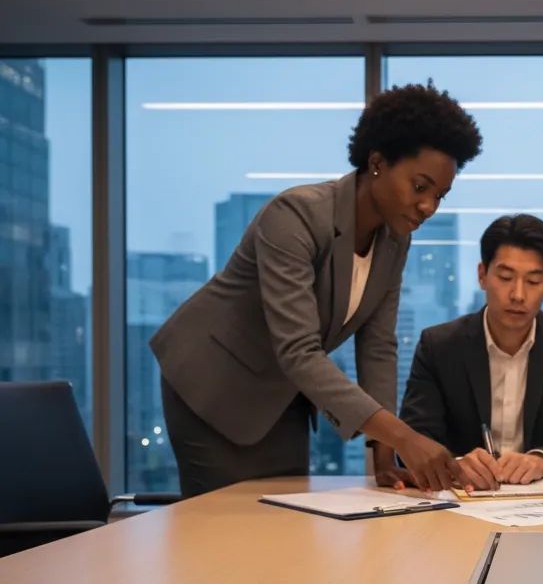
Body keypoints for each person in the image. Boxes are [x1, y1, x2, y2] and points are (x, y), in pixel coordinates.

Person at [151, 83, 482, 497]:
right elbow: (299, 349)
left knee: (285, 524)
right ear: (377, 163)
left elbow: (378, 345)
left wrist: (384, 455)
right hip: (212, 383)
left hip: (281, 395)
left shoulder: (395, 240)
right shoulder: (296, 215)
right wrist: (404, 438)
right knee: (223, 529)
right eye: (420, 187)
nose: (429, 207)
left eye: (440, 195)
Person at [400, 214, 543, 489]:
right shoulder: (440, 345)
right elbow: (416, 437)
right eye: (506, 277)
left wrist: (542, 461)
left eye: (533, 281)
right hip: (464, 502)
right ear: (482, 275)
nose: (518, 294)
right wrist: (457, 463)